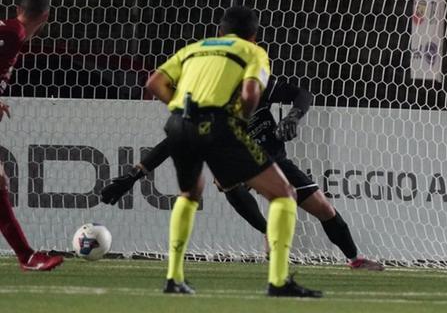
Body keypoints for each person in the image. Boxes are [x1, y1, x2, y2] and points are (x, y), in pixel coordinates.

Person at [100, 78, 383, 270]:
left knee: (324, 209)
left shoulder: (255, 84)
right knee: (225, 176)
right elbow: (171, 143)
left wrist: (293, 116)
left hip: (274, 160)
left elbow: (302, 94)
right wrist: (134, 175)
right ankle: (268, 234)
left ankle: (355, 259)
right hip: (238, 164)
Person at [146, 6, 320, 297]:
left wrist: (182, 108)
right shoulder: (253, 52)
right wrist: (238, 118)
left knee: (189, 194)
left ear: (220, 32)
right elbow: (251, 93)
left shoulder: (194, 49)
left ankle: (174, 278)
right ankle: (278, 281)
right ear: (253, 36)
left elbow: (154, 83)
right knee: (283, 193)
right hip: (219, 124)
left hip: (179, 123)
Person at [0, 0, 64, 271]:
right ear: (46, 17)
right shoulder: (13, 34)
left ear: (18, 8)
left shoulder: (11, 31)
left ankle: (26, 255)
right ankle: (26, 256)